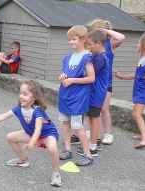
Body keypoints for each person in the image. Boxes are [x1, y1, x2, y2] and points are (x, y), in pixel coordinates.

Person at [0, 80, 61, 187]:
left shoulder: (38, 111)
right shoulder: (18, 109)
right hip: (31, 134)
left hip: (47, 134)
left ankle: (56, 174)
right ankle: (22, 160)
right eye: (20, 93)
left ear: (35, 97)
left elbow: (38, 129)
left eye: (25, 94)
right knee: (10, 137)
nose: (21, 96)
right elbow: (1, 116)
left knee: (52, 148)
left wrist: (32, 143)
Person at [58, 25, 95, 166]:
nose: (71, 42)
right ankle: (68, 149)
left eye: (74, 39)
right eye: (69, 39)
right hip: (65, 95)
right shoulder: (68, 58)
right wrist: (63, 76)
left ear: (83, 39)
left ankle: (88, 154)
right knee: (65, 122)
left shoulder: (87, 58)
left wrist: (72, 80)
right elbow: (66, 74)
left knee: (77, 126)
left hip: (78, 98)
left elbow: (91, 78)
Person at [113, 34, 145, 149]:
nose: (137, 45)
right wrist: (122, 76)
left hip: (144, 91)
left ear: (144, 46)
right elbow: (137, 74)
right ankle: (144, 135)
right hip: (140, 90)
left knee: (136, 114)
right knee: (136, 113)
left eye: (138, 43)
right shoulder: (143, 59)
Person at [86, 19, 125, 145]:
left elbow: (121, 37)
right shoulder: (92, 44)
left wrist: (107, 31)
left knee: (104, 108)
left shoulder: (110, 42)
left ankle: (108, 133)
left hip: (106, 83)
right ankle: (92, 132)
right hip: (93, 81)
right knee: (92, 108)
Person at [76, 29, 109, 156]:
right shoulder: (96, 56)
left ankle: (93, 146)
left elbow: (91, 73)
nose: (89, 47)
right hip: (93, 93)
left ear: (99, 43)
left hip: (97, 94)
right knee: (91, 118)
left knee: (94, 119)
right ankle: (91, 144)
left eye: (90, 44)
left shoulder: (101, 58)